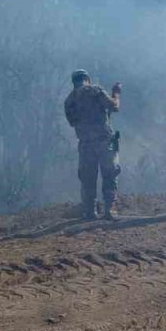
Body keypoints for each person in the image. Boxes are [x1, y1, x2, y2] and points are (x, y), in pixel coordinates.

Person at [64, 69, 122, 220]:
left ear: (74, 82)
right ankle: (110, 209)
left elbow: (73, 122)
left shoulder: (69, 100)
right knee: (110, 174)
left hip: (85, 145)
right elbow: (115, 106)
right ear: (87, 79)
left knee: (87, 179)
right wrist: (116, 93)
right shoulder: (96, 90)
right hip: (106, 141)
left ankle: (90, 212)